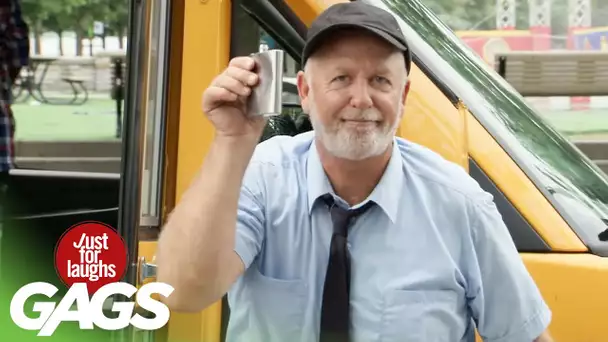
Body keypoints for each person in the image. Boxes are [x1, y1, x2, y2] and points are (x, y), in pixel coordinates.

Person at [156, 2, 554, 342]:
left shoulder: (458, 204)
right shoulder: (262, 178)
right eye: (341, 78)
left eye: (380, 80)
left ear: (403, 96)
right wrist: (232, 142)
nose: (361, 99)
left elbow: (526, 335)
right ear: (306, 92)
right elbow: (182, 293)